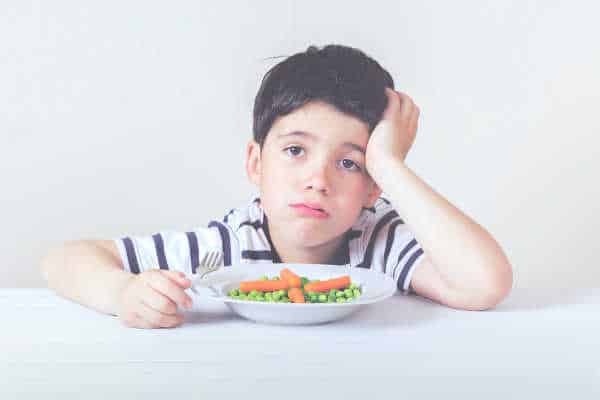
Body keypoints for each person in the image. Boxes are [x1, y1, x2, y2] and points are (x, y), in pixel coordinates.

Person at [40, 44, 513, 329]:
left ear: (373, 188)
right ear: (255, 163)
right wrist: (123, 293)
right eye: (294, 151)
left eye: (349, 163)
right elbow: (64, 260)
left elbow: (485, 284)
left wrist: (389, 163)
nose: (318, 180)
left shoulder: (379, 241)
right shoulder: (227, 248)